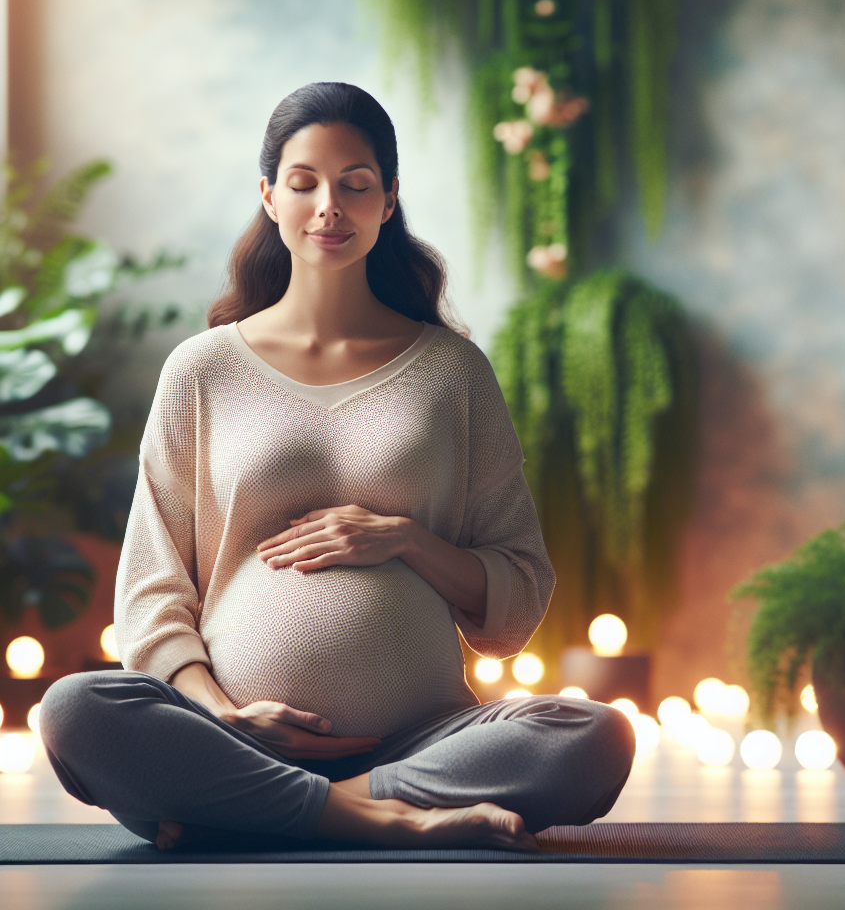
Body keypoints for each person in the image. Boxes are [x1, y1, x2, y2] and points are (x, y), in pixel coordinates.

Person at [40, 82, 634, 850]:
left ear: (388, 202)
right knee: (74, 709)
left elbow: (518, 594)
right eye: (304, 183)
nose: (330, 206)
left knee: (593, 735)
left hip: (423, 746)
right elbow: (152, 592)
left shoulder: (452, 372)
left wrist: (405, 540)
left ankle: (293, 809)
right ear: (269, 197)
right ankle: (379, 820)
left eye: (356, 185)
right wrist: (221, 714)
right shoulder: (202, 370)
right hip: (233, 739)